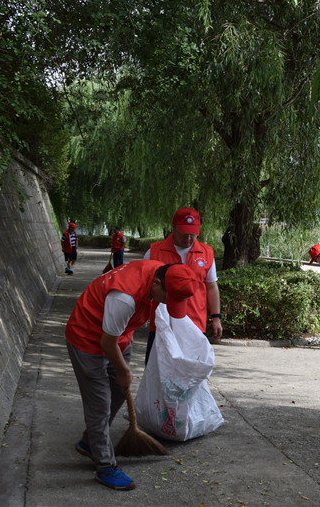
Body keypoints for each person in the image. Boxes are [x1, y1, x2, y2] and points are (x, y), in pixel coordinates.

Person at [65, 260, 198, 490]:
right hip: (87, 339)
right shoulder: (124, 297)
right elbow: (107, 342)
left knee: (117, 392)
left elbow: (123, 326)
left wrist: (127, 332)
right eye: (168, 298)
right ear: (157, 283)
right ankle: (105, 468)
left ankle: (89, 442)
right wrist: (124, 370)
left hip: (117, 336)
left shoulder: (162, 272)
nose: (168, 304)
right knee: (100, 404)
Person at [143, 207, 222, 364]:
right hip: (162, 324)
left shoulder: (206, 253)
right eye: (183, 232)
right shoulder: (154, 252)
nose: (189, 237)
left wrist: (216, 317)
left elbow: (211, 287)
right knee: (157, 373)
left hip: (194, 325)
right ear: (173, 228)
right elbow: (143, 289)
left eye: (193, 233)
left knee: (192, 375)